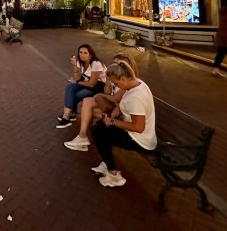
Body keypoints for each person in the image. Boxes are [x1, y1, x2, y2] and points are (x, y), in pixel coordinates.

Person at [90, 60, 156, 188]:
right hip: (139, 134)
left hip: (141, 141)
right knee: (100, 127)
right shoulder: (138, 83)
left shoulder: (136, 98)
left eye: (116, 83)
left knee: (99, 132)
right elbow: (126, 97)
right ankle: (107, 162)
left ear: (124, 78)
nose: (117, 86)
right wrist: (119, 107)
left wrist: (113, 122)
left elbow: (139, 127)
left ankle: (114, 175)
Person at [64, 53, 139, 151]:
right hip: (113, 106)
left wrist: (100, 96)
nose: (114, 66)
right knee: (86, 102)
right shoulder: (116, 75)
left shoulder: (127, 80)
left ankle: (85, 137)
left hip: (121, 113)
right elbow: (107, 92)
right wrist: (108, 81)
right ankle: (83, 136)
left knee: (87, 109)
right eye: (114, 63)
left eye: (117, 64)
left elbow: (116, 98)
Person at [57, 44, 106, 128]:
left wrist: (77, 81)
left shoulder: (96, 64)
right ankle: (67, 116)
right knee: (69, 87)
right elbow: (77, 77)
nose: (82, 55)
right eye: (80, 52)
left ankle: (70, 115)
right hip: (86, 83)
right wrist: (74, 66)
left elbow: (92, 83)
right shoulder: (80, 62)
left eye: (85, 53)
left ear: (90, 54)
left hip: (98, 87)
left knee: (77, 94)